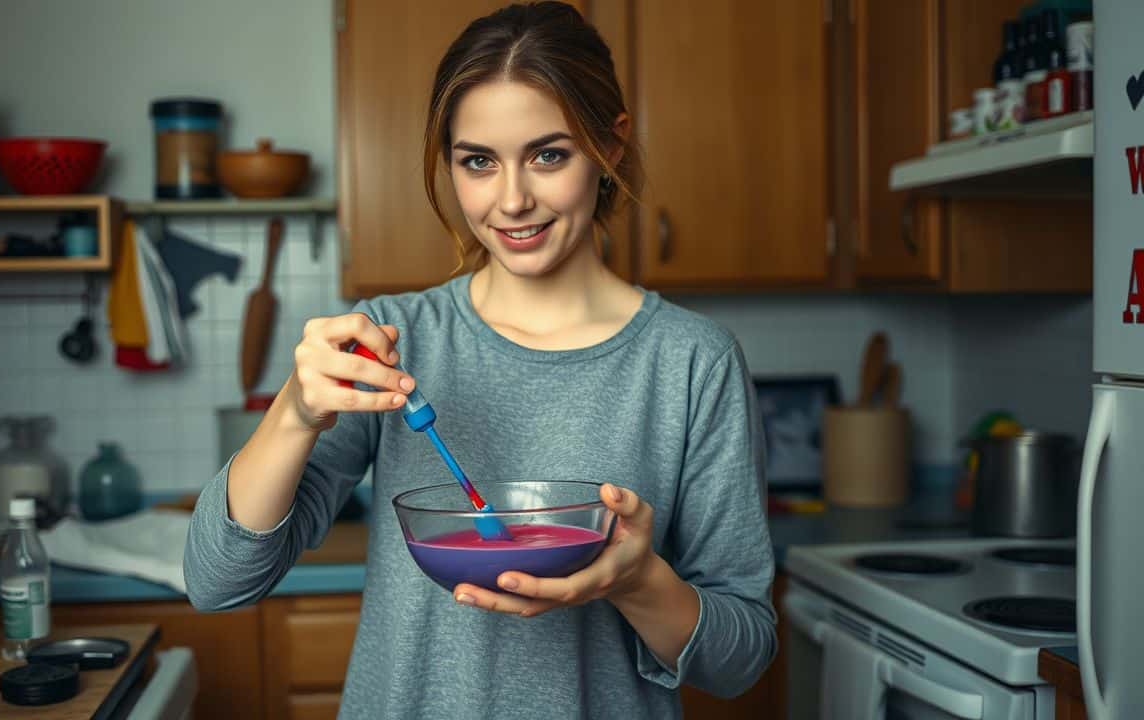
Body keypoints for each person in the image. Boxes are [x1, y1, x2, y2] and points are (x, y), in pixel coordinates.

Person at [184, 2, 776, 717]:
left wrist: (635, 580)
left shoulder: (692, 363)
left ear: (610, 147)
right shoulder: (392, 339)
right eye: (478, 162)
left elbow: (741, 659)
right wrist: (295, 412)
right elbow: (217, 581)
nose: (513, 200)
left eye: (549, 155)